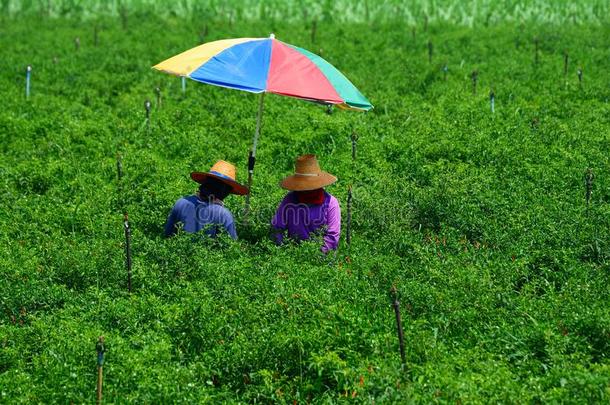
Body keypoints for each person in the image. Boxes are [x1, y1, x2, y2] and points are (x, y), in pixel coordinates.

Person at [271, 154, 341, 253]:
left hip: (322, 258)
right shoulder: (290, 200)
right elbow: (277, 227)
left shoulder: (330, 203)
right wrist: (282, 250)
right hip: (293, 254)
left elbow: (332, 236)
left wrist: (317, 255)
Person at [164, 160, 248, 240]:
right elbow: (229, 248)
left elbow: (168, 235)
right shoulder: (223, 215)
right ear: (225, 191)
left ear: (205, 183)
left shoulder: (181, 202)